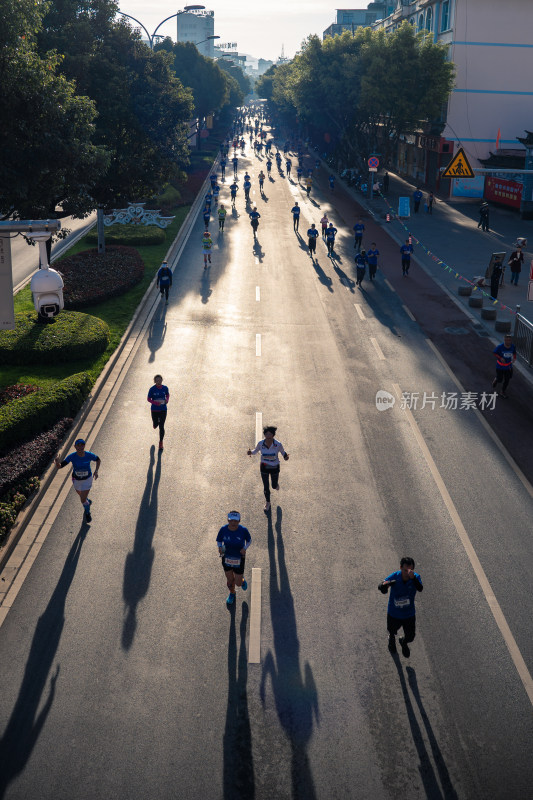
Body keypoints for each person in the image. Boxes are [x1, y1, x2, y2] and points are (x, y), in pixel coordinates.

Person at [379, 557, 423, 657]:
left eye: (410, 570)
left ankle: (403, 641)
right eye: (405, 570)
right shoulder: (395, 576)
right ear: (400, 568)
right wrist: (385, 585)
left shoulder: (415, 578)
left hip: (409, 614)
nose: (407, 573)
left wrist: (413, 578)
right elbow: (382, 587)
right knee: (392, 630)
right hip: (394, 613)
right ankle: (391, 639)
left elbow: (420, 588)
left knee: (411, 636)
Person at [54, 439, 100, 522]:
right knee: (82, 496)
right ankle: (87, 501)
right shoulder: (72, 456)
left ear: (84, 446)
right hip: (76, 480)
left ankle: (87, 512)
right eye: (78, 445)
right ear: (75, 447)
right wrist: (57, 462)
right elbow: (60, 466)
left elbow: (98, 460)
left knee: (82, 499)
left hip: (87, 479)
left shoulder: (89, 455)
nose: (80, 447)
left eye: (82, 445)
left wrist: (96, 471)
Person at [247, 426, 289, 512]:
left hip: (274, 467)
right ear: (264, 435)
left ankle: (276, 485)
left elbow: (283, 452)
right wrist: (250, 452)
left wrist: (286, 457)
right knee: (266, 486)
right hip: (264, 467)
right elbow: (255, 451)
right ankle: (268, 502)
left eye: (270, 434)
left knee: (273, 486)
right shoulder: (260, 443)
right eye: (266, 434)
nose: (268, 436)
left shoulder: (278, 444)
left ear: (273, 435)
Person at [217, 511, 251, 605]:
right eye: (231, 520)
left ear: (239, 521)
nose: (233, 523)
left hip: (239, 558)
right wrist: (219, 547)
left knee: (238, 583)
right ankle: (232, 593)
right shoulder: (223, 529)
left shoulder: (243, 530)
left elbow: (249, 540)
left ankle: (241, 580)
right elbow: (219, 540)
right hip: (226, 557)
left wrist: (244, 548)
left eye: (235, 521)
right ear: (228, 520)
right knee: (230, 580)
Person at [147, 374, 169, 451]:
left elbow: (167, 394)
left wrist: (167, 400)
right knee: (156, 424)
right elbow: (148, 399)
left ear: (162, 380)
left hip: (163, 409)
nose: (158, 381)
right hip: (154, 410)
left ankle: (161, 442)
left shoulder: (165, 388)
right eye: (157, 380)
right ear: (155, 381)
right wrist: (155, 403)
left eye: (160, 380)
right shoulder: (152, 389)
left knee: (162, 426)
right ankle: (155, 423)